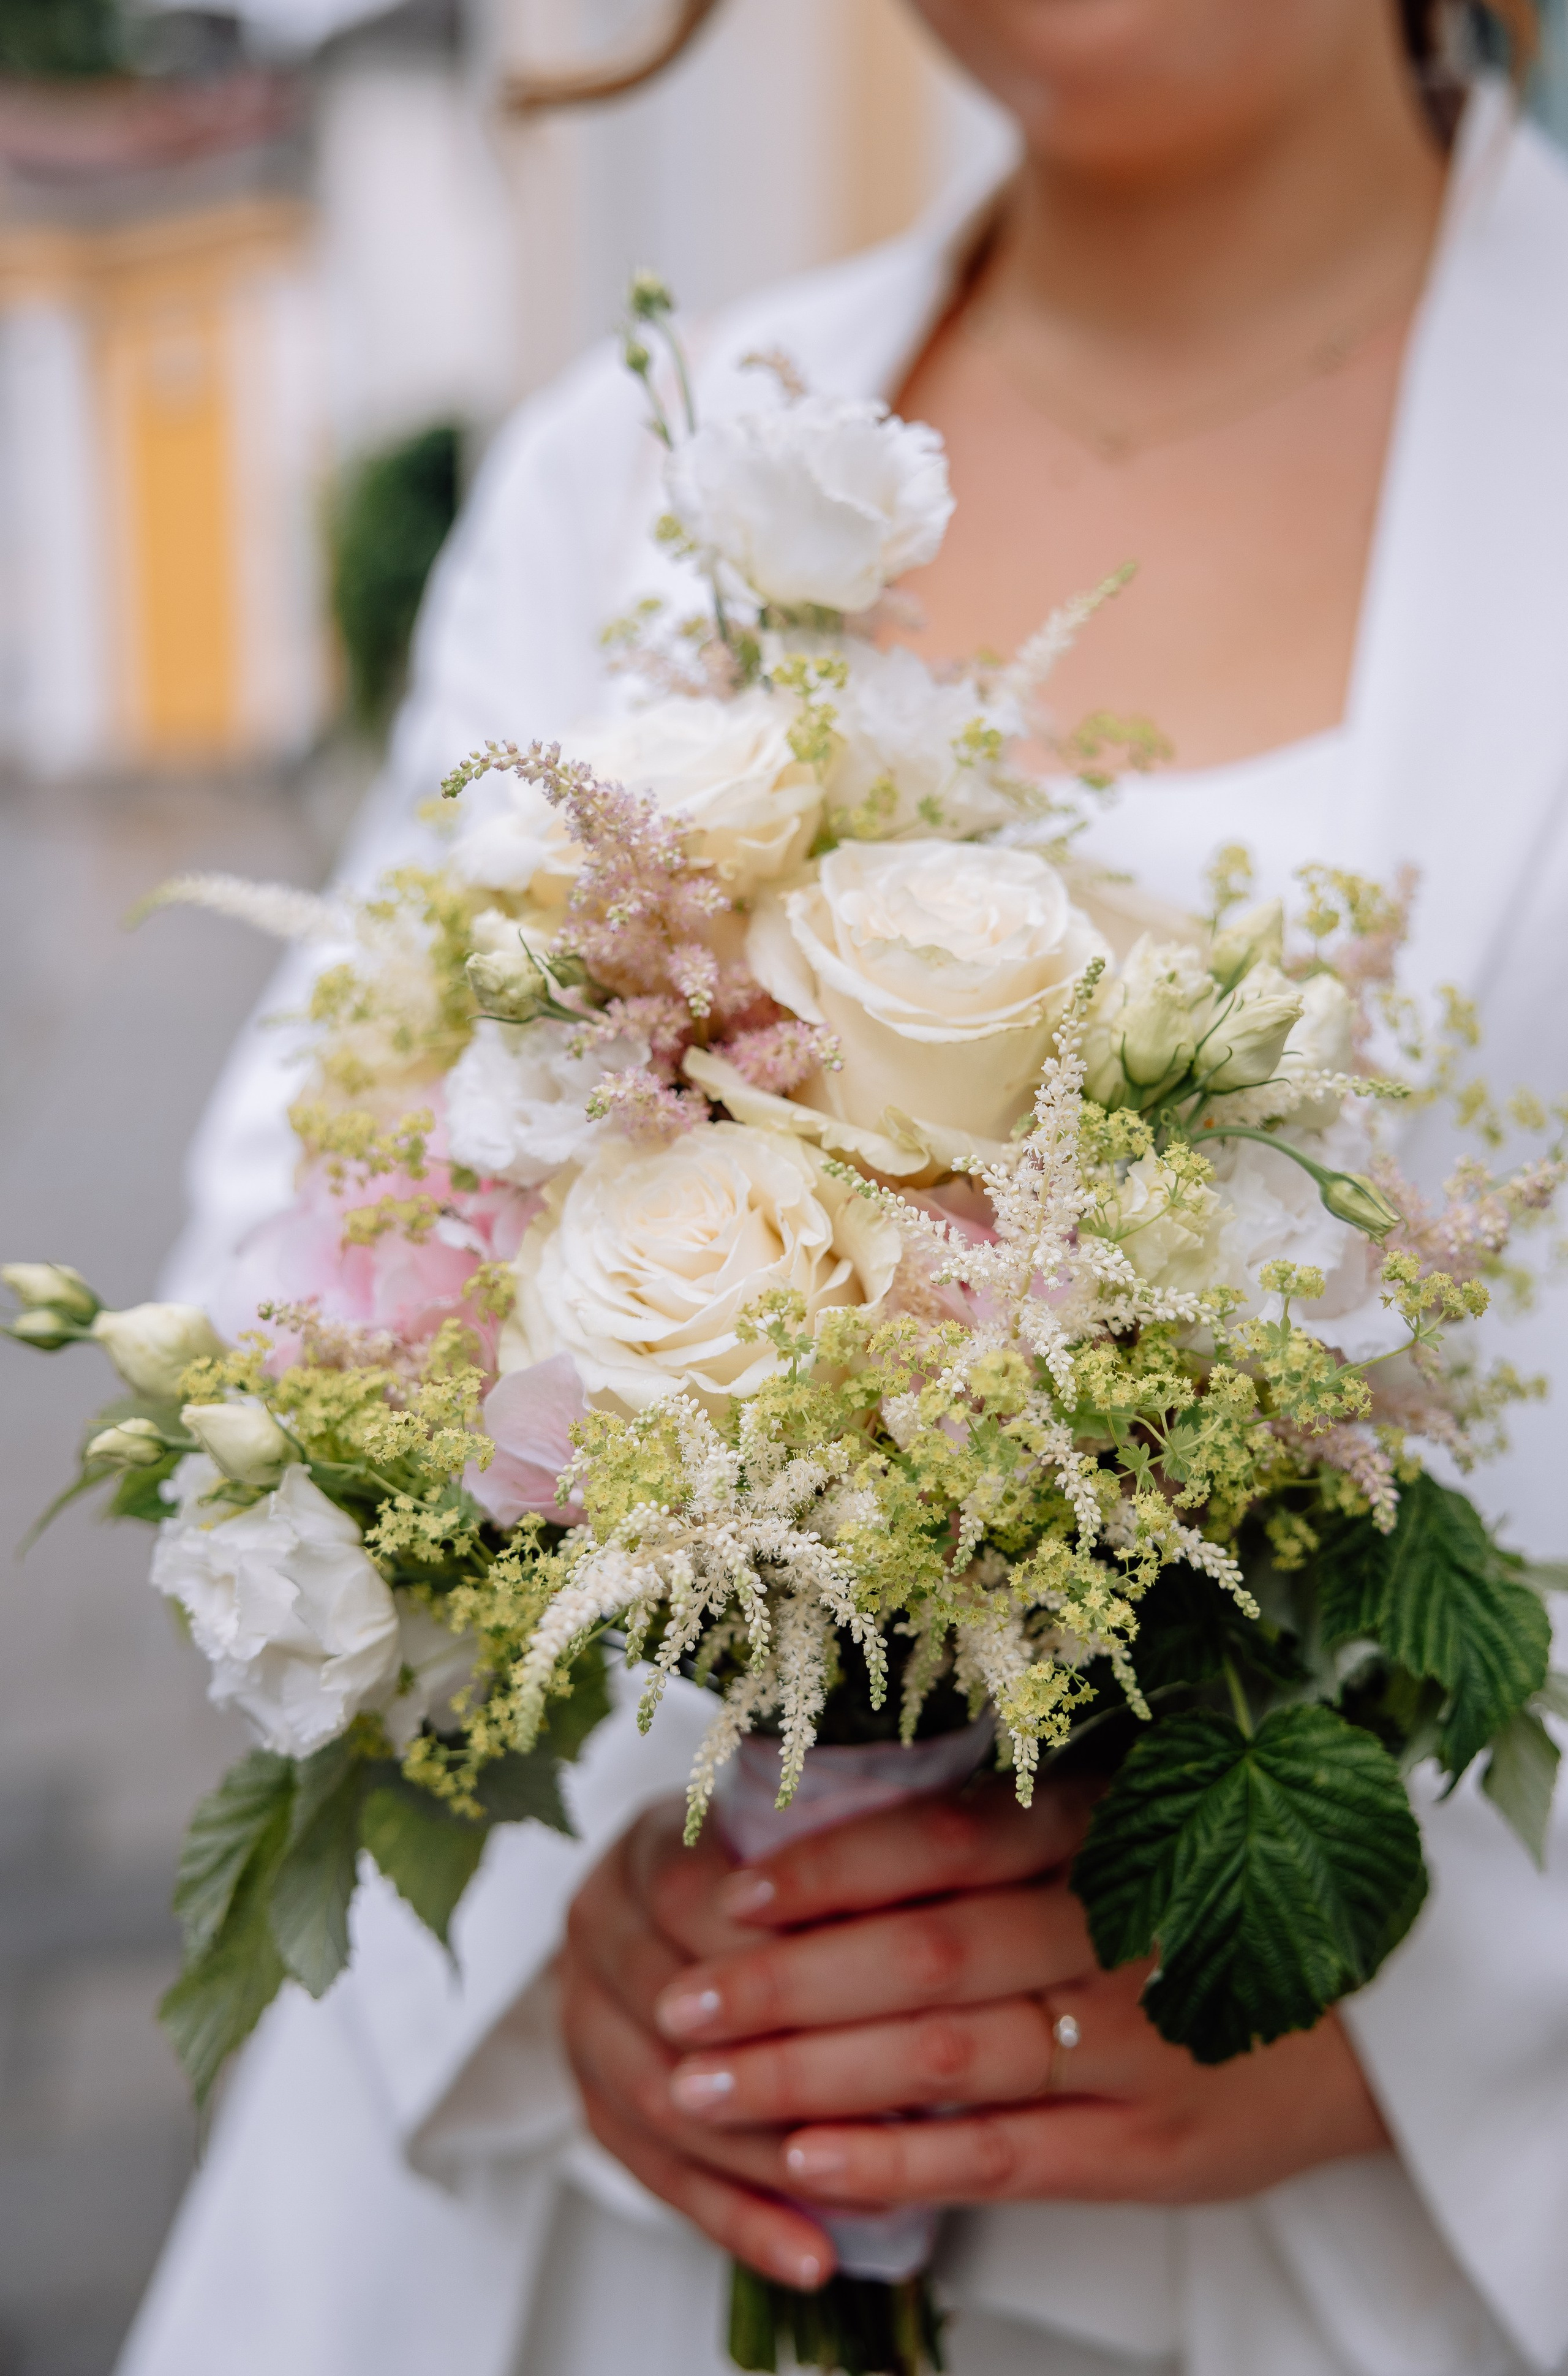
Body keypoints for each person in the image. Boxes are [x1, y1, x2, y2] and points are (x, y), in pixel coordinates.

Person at [120, 5, 1568, 2374]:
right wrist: (580, 1960)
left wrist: (1418, 2025)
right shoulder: (630, 468)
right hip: (595, 2224)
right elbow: (307, 1291)